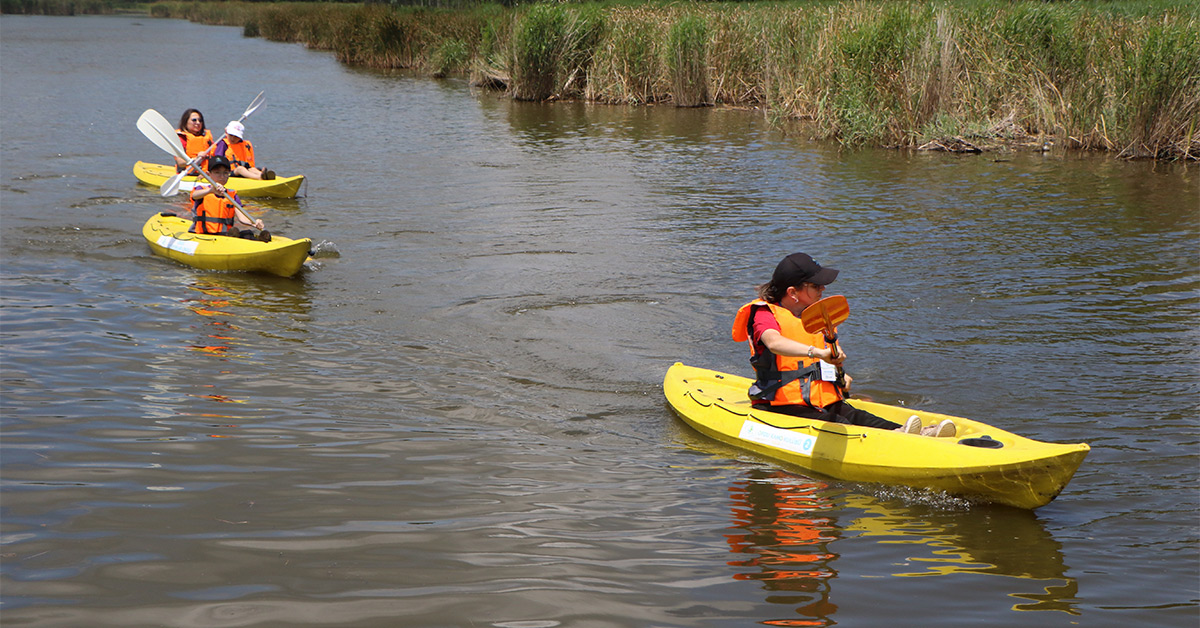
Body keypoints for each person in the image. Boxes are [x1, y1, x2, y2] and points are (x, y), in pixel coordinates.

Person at [732, 252, 955, 437]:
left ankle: (910, 433)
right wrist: (817, 352)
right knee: (837, 422)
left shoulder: (819, 318)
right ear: (793, 292)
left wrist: (840, 374)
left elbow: (823, 360)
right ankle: (896, 439)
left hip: (819, 400)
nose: (823, 289)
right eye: (815, 285)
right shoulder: (763, 313)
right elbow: (774, 342)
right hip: (780, 406)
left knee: (857, 415)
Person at [189, 157, 270, 242]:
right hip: (204, 234)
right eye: (217, 173)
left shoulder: (232, 195)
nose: (222, 176)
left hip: (225, 235)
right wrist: (210, 190)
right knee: (236, 232)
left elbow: (242, 217)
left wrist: (253, 223)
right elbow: (195, 195)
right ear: (208, 174)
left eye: (225, 173)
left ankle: (262, 240)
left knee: (248, 233)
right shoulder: (201, 189)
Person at [175, 108, 213, 173]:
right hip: (187, 174)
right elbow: (180, 163)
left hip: (206, 173)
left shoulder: (206, 137)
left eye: (200, 120)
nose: (198, 123)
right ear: (186, 122)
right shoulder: (182, 138)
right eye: (194, 120)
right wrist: (197, 159)